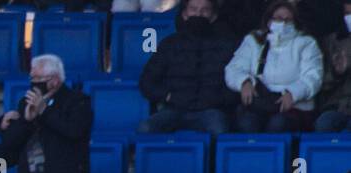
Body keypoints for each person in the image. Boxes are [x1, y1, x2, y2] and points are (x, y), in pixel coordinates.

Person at [0, 55, 94, 173]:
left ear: (55, 80)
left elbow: (74, 131)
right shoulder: (25, 102)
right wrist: (26, 121)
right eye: (32, 77)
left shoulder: (78, 101)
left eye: (38, 78)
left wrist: (44, 110)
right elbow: (11, 142)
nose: (34, 82)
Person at [139, 0, 241, 135]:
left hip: (210, 110)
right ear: (184, 14)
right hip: (174, 109)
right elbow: (147, 81)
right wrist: (168, 96)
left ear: (213, 16)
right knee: (145, 128)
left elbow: (236, 83)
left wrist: (217, 100)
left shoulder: (227, 44)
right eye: (193, 9)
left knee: (220, 131)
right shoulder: (170, 44)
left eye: (205, 10)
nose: (198, 14)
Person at [226, 0, 325, 132]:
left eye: (288, 19)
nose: (283, 22)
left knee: (277, 124)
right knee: (246, 124)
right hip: (259, 104)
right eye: (278, 18)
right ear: (268, 21)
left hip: (293, 107)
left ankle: (294, 154)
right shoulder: (253, 40)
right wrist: (244, 82)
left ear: (295, 22)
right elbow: (234, 68)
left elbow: (313, 77)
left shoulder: (306, 43)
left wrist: (293, 93)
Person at [315, 2, 351, 129]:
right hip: (337, 105)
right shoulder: (331, 42)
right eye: (347, 13)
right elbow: (321, 83)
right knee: (324, 124)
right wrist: (337, 73)